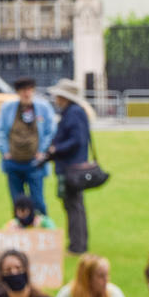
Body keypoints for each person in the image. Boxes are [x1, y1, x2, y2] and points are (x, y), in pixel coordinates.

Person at [37, 78, 91, 255]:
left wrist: (56, 149)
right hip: (72, 167)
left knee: (73, 206)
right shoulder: (74, 112)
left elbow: (77, 140)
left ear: (65, 97)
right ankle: (78, 244)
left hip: (71, 169)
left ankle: (77, 246)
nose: (55, 99)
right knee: (75, 206)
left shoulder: (73, 113)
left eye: (58, 96)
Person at [0, 77, 57, 217]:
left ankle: (43, 231)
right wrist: (5, 151)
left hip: (34, 162)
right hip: (13, 162)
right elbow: (0, 131)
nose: (27, 93)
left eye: (29, 90)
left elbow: (51, 131)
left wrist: (42, 152)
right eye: (23, 90)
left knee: (38, 201)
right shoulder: (8, 108)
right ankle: (19, 233)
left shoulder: (43, 108)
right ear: (18, 92)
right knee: (17, 203)